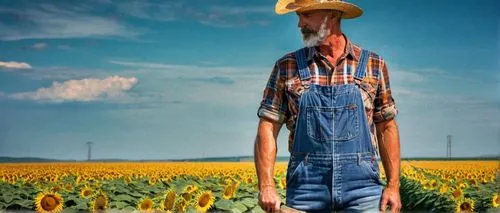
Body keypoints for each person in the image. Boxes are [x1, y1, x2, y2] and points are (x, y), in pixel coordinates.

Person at [253, 0, 402, 212]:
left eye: (307, 15)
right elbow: (267, 126)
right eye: (298, 17)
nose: (299, 24)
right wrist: (266, 186)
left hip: (363, 190)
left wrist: (393, 186)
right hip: (306, 188)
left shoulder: (373, 64)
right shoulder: (287, 65)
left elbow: (386, 126)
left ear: (333, 14)